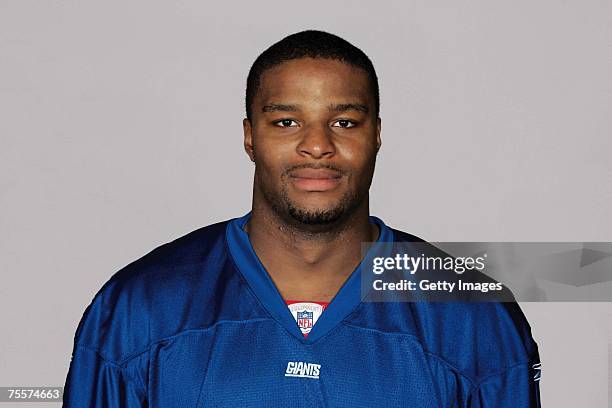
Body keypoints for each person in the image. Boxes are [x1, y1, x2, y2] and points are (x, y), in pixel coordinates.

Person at [63, 30, 541, 407]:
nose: (317, 144)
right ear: (250, 137)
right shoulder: (137, 309)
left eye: (345, 122)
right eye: (286, 122)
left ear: (376, 134)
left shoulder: (474, 318)